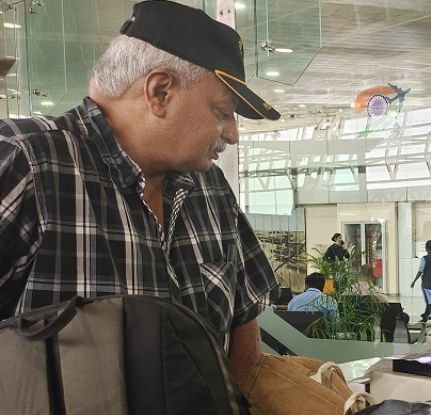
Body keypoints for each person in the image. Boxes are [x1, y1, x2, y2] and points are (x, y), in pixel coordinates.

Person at [0, 0, 282, 387]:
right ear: (160, 92)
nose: (233, 134)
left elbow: (245, 317)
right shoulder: (28, 163)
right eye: (222, 112)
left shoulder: (211, 190)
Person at [410, 240, 431, 322]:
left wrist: (414, 281)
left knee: (429, 301)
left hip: (426, 284)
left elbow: (420, 271)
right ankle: (428, 314)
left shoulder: (424, 259)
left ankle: (426, 316)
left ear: (426, 248)